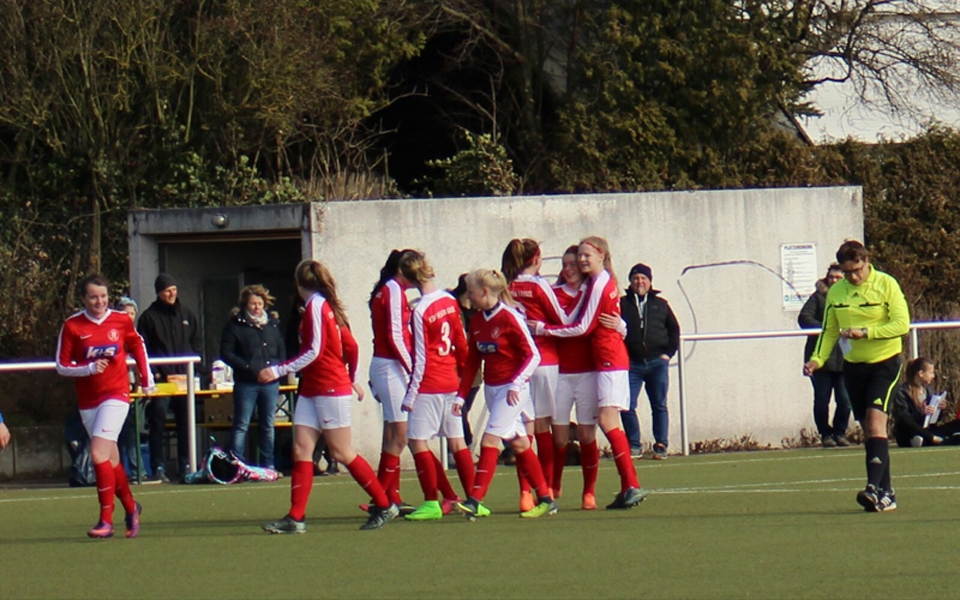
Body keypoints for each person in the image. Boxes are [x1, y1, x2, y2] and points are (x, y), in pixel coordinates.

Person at [259, 259, 398, 532]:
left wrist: (278, 370)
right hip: (313, 387)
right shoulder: (325, 307)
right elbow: (351, 346)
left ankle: (384, 504)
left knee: (341, 451)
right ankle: (295, 517)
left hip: (329, 386)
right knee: (301, 449)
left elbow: (315, 351)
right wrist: (352, 376)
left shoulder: (317, 306)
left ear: (299, 283)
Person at [530, 236, 646, 510]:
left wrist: (543, 329)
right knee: (597, 425)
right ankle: (627, 485)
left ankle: (628, 485)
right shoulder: (593, 284)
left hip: (605, 363)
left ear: (601, 256)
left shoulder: (599, 284)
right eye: (570, 261)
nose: (577, 264)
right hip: (591, 364)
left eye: (584, 257)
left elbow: (583, 326)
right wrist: (621, 326)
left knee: (604, 423)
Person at [804, 240, 910, 513]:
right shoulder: (837, 292)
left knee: (875, 422)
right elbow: (829, 330)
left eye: (857, 270)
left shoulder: (886, 284)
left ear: (866, 262)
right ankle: (887, 493)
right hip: (854, 366)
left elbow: (901, 325)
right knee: (870, 430)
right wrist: (817, 359)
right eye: (847, 272)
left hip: (884, 363)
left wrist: (866, 333)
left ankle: (873, 488)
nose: (853, 277)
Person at [55, 274, 154, 538]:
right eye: (93, 297)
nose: (99, 301)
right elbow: (62, 365)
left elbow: (137, 345)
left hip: (116, 394)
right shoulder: (73, 325)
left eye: (103, 296)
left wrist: (147, 379)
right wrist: (87, 368)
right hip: (89, 400)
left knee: (98, 453)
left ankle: (105, 521)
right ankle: (132, 508)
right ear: (83, 298)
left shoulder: (120, 320)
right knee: (110, 460)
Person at [454, 268, 557, 520]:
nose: (469, 297)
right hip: (492, 389)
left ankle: (475, 500)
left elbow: (533, 355)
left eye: (471, 292)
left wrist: (516, 383)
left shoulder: (510, 317)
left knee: (489, 440)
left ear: (484, 292)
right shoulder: (477, 321)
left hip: (513, 392)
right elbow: (472, 361)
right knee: (520, 444)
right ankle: (546, 499)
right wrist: (460, 396)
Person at [399, 251, 475, 521]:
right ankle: (474, 500)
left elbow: (421, 357)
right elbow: (461, 341)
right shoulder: (450, 300)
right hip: (451, 380)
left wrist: (411, 394)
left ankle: (431, 501)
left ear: (408, 278)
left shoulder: (419, 310)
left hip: (429, 384)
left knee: (417, 441)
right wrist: (464, 376)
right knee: (457, 441)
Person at [501, 238, 567, 510]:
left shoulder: (505, 286)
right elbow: (561, 318)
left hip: (517, 365)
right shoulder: (539, 285)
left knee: (522, 429)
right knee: (542, 427)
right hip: (544, 360)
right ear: (537, 259)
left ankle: (525, 493)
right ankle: (547, 487)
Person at [137, 273, 202, 482]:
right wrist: (155, 373)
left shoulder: (187, 314)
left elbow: (196, 343)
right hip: (161, 381)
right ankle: (158, 466)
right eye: (167, 290)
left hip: (184, 380)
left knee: (186, 422)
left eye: (174, 289)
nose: (172, 294)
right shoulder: (148, 317)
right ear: (159, 292)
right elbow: (143, 348)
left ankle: (186, 464)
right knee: (158, 421)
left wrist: (194, 369)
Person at [550, 245, 601, 508]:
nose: (569, 269)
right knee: (559, 437)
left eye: (573, 264)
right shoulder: (553, 293)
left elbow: (611, 317)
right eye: (565, 264)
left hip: (587, 373)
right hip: (560, 374)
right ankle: (555, 484)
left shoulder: (593, 291)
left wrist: (622, 326)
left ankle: (588, 492)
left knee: (586, 434)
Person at [367, 249, 416, 513]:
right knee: (400, 435)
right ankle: (380, 498)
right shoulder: (393, 289)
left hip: (387, 365)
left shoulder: (388, 289)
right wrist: (413, 369)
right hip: (391, 366)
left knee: (391, 435)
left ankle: (390, 496)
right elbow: (395, 335)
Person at [220, 284, 286, 469]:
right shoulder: (234, 325)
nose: (257, 307)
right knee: (242, 424)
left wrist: (275, 370)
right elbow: (226, 353)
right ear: (245, 304)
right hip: (246, 383)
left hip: (270, 382)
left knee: (268, 424)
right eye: (253, 304)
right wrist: (249, 368)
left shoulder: (272, 325)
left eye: (259, 303)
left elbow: (281, 350)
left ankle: (268, 465)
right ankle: (237, 464)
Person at [620, 262, 680, 459]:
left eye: (643, 278)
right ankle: (634, 445)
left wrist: (668, 354)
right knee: (627, 405)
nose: (639, 282)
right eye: (636, 278)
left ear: (650, 281)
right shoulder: (622, 304)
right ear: (630, 281)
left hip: (657, 363)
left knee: (659, 404)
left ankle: (661, 444)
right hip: (632, 363)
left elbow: (674, 330)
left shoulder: (660, 304)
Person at [799, 264, 852, 448]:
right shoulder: (818, 298)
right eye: (831, 277)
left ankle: (840, 432)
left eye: (838, 278)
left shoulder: (850, 297)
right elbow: (804, 318)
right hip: (821, 360)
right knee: (822, 400)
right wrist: (828, 329)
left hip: (844, 358)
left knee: (845, 401)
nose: (834, 281)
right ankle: (825, 434)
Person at [891, 357, 960, 447]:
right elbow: (903, 419)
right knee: (926, 435)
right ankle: (931, 439)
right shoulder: (902, 392)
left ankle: (928, 440)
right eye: (931, 373)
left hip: (928, 430)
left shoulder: (928, 390)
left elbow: (933, 421)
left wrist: (939, 409)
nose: (933, 376)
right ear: (921, 374)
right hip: (910, 432)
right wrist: (921, 413)